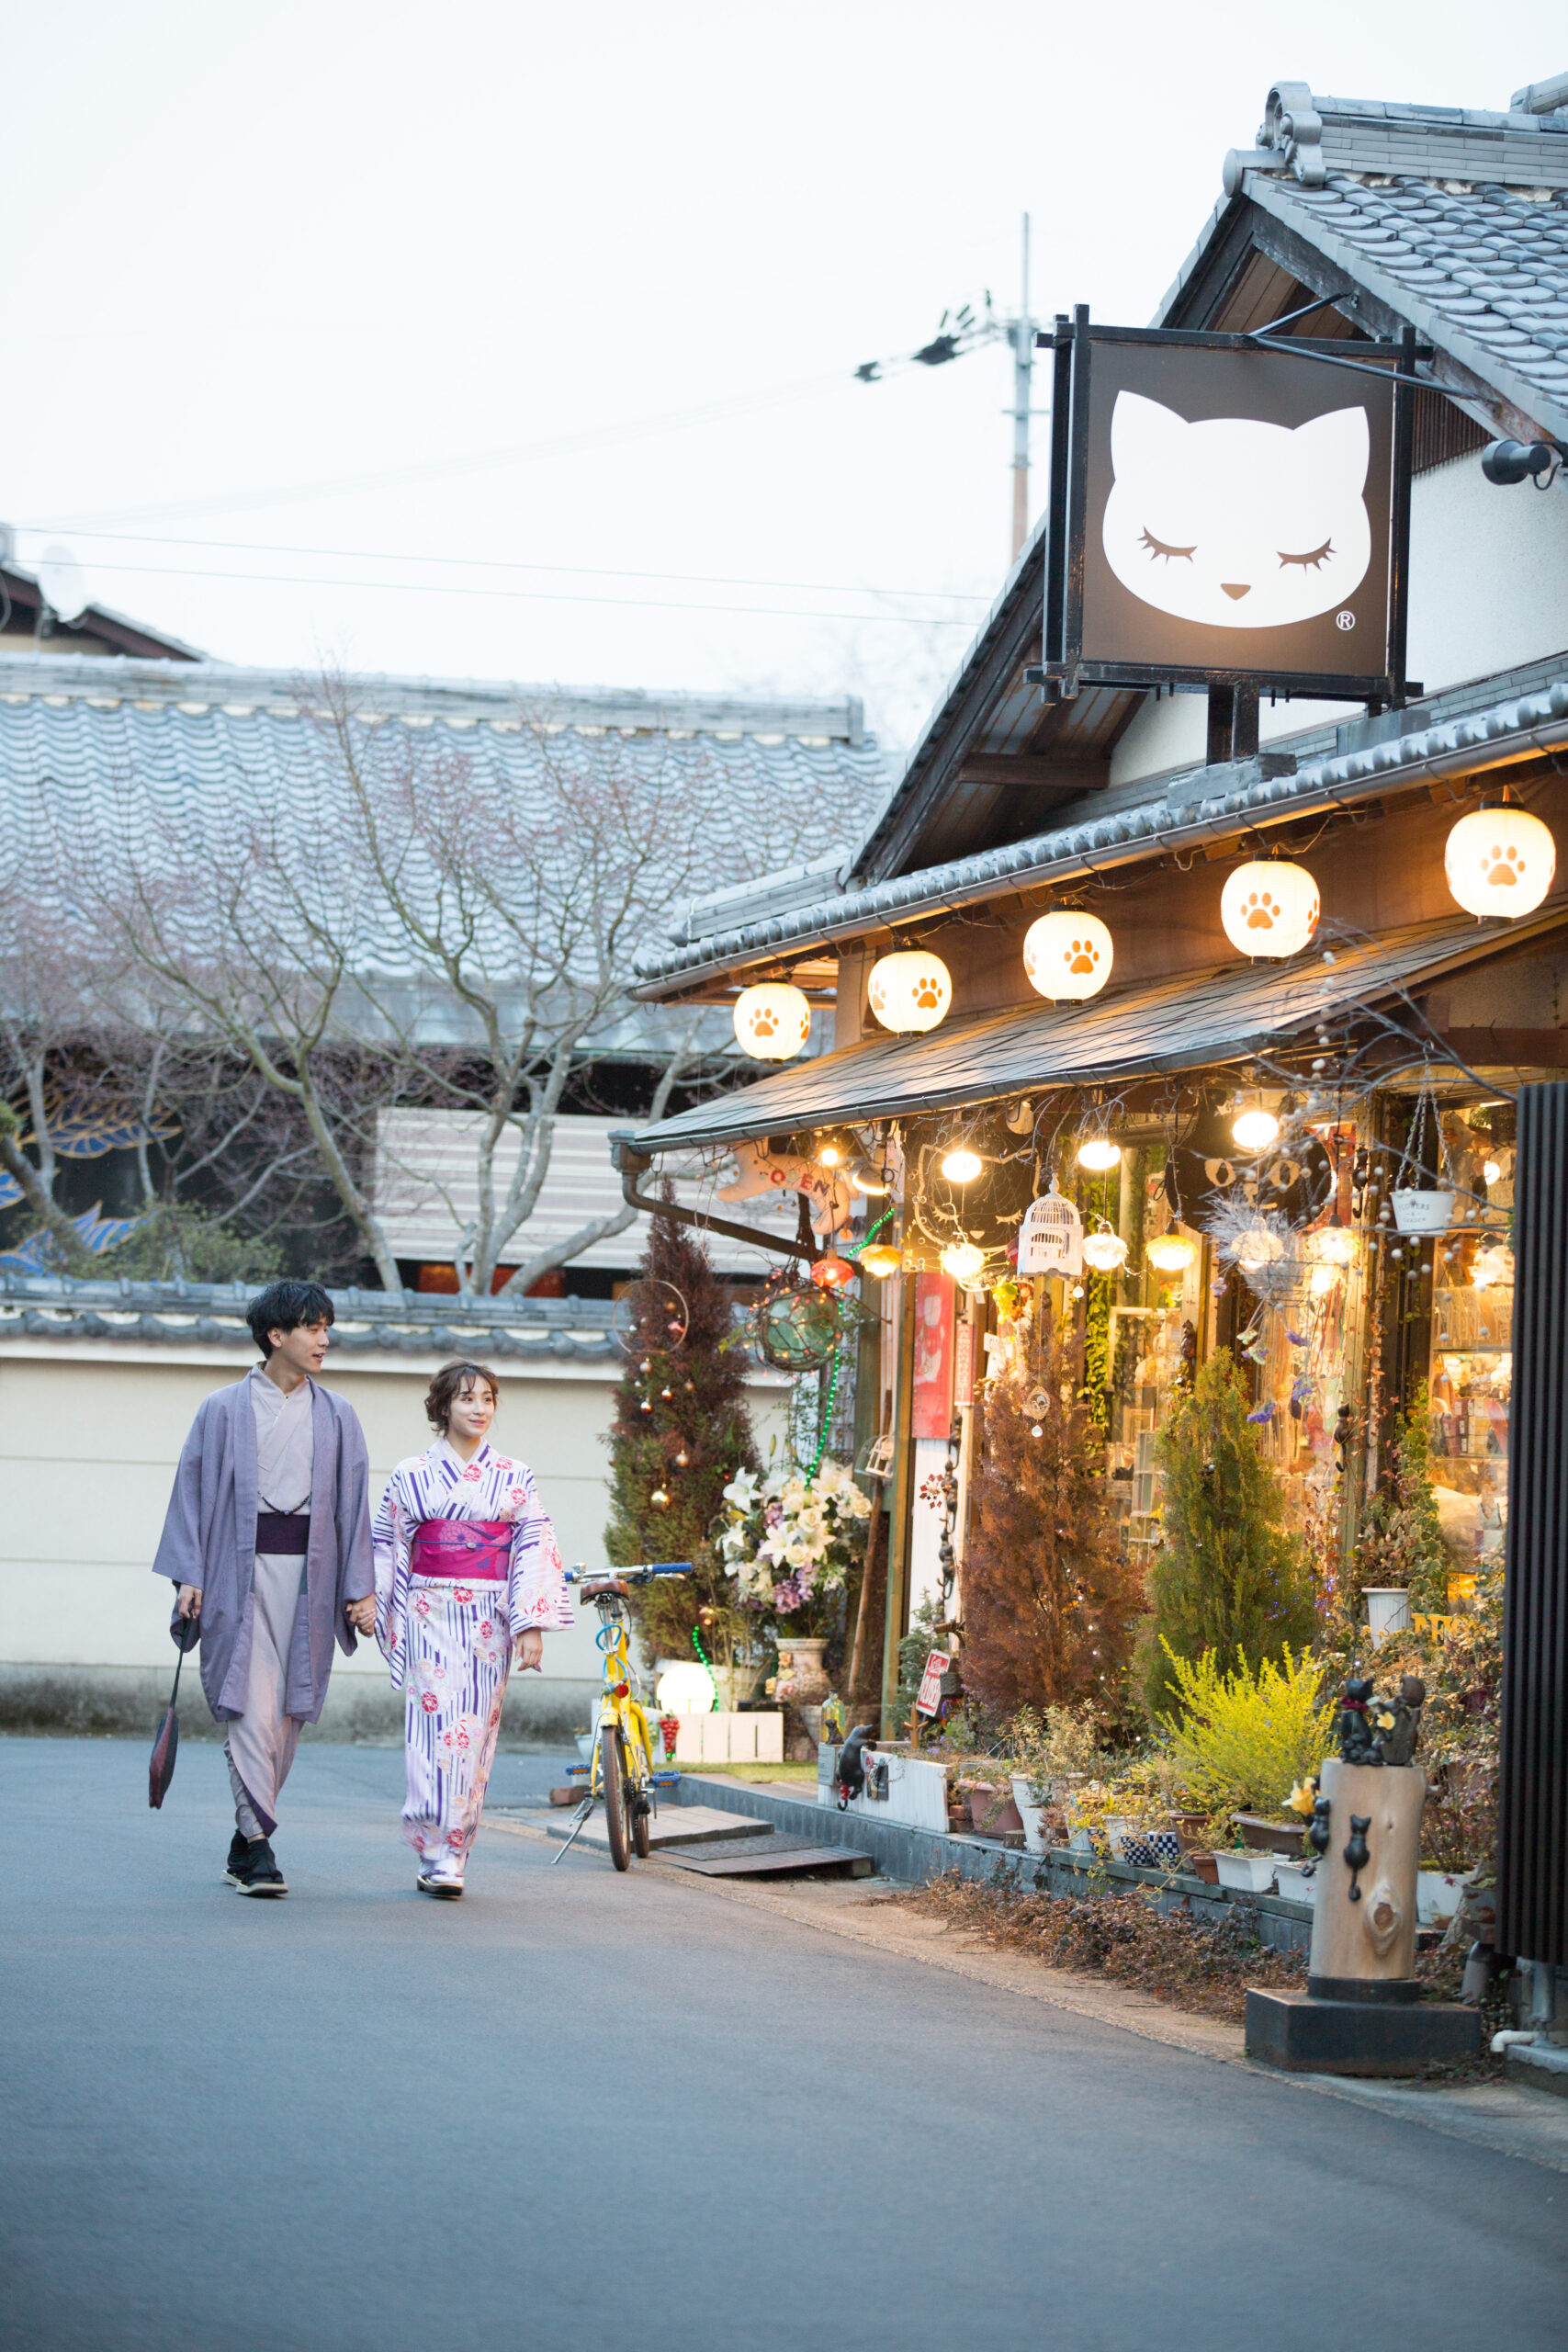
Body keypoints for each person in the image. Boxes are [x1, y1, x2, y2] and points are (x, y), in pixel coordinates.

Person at [153, 1280, 376, 1896]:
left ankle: (243, 1833)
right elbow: (191, 1497)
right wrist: (189, 1575)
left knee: (286, 1718)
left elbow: (355, 1508)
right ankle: (258, 1849)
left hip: (312, 1578)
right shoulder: (222, 1408)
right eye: (312, 1328)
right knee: (251, 1708)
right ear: (276, 1336)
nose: (324, 1340)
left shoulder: (338, 1415)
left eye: (326, 1328)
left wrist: (361, 1589)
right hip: (236, 1576)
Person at [372, 1360, 572, 1898]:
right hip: (427, 1610)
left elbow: (534, 1548)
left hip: (490, 1616)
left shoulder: (515, 1475)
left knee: (475, 1734)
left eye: (487, 1399)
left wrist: (531, 1624)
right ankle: (433, 1848)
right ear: (443, 1406)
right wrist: (371, 1601)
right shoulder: (411, 1473)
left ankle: (454, 1851)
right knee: (433, 1730)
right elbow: (386, 1543)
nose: (479, 1408)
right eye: (466, 1398)